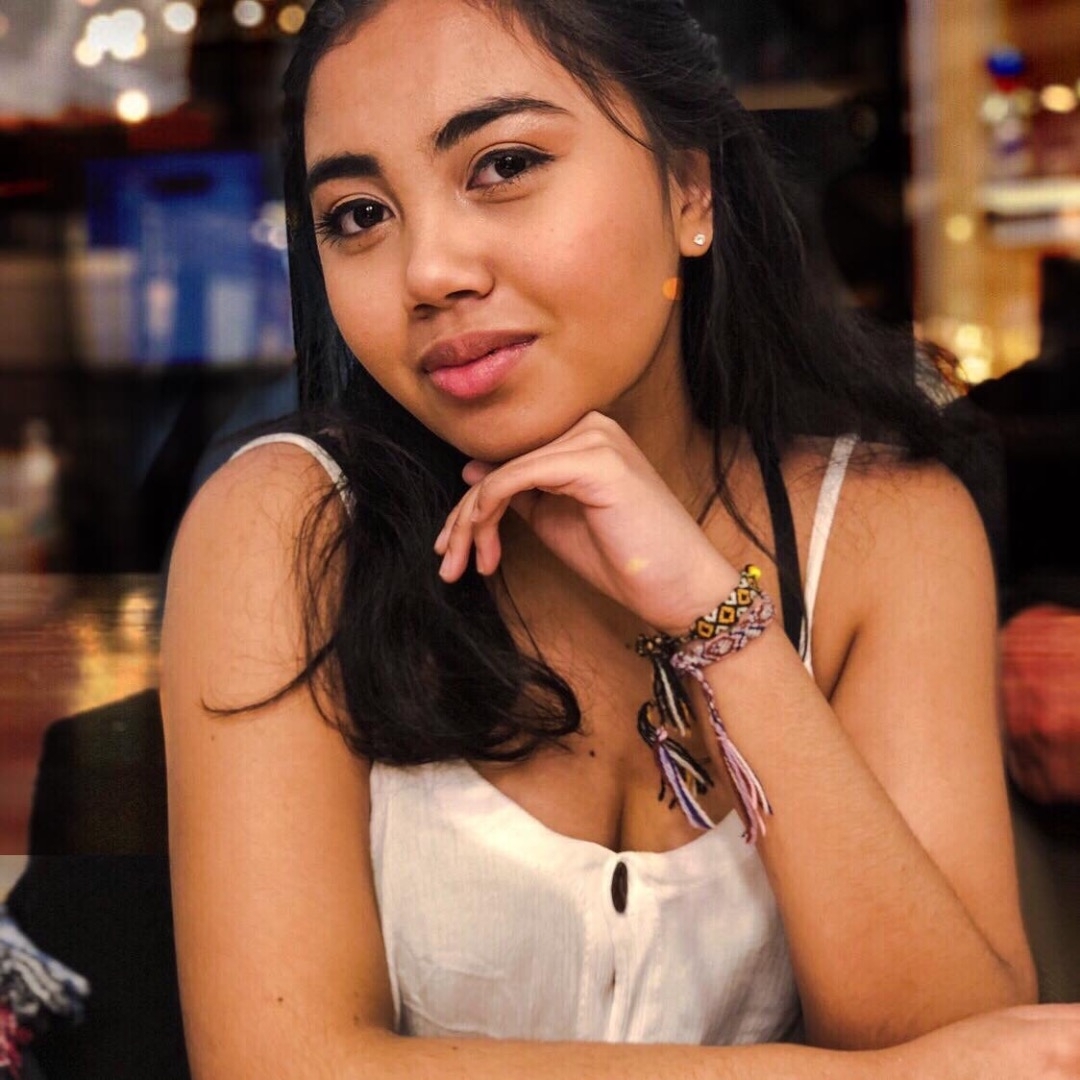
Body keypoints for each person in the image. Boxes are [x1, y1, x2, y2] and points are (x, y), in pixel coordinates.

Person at [160, 1, 1080, 1076]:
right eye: (359, 215)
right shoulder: (290, 528)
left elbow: (964, 1043)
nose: (429, 271)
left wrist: (723, 625)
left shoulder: (884, 529)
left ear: (689, 190)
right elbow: (277, 1062)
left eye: (504, 165)